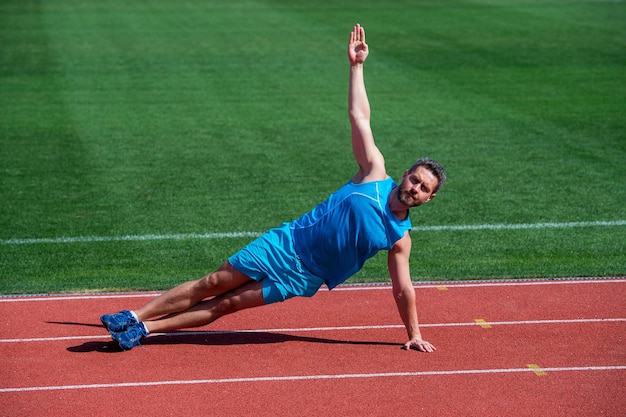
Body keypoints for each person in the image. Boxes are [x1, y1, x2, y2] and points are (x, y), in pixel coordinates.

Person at [100, 24, 446, 352]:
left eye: (423, 188)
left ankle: (143, 330)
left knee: (228, 304)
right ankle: (134, 316)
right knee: (214, 282)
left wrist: (413, 334)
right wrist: (356, 67)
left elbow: (403, 290)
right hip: (286, 243)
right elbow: (360, 118)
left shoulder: (400, 238)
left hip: (303, 276)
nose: (415, 187)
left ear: (429, 199)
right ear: (404, 174)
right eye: (415, 179)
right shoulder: (373, 173)